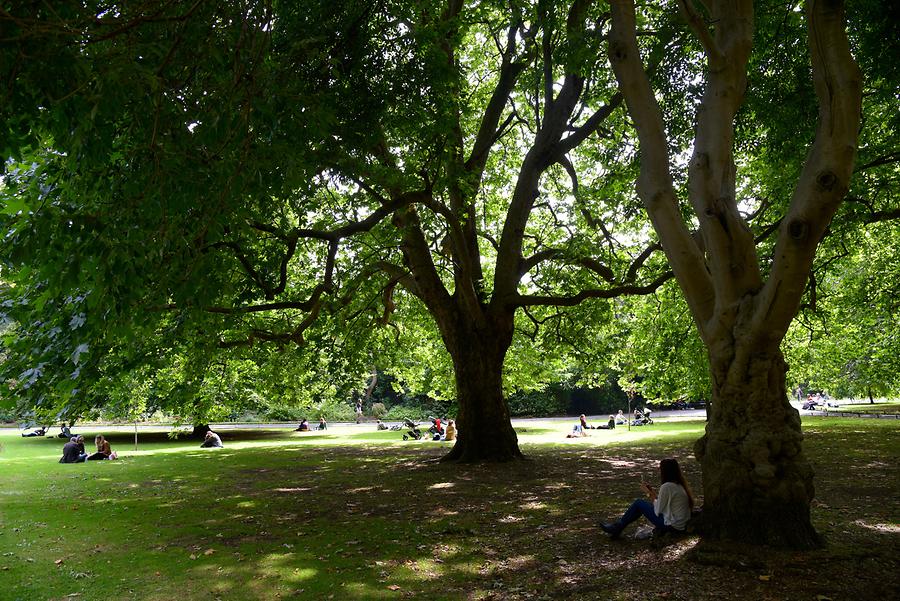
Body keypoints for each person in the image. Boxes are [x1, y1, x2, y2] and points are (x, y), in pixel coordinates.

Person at [599, 458, 694, 539]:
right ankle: (617, 528)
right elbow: (663, 504)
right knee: (640, 505)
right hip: (680, 523)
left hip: (672, 525)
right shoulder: (678, 485)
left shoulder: (667, 486)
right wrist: (652, 492)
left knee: (638, 503)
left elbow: (658, 510)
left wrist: (649, 493)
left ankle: (617, 528)